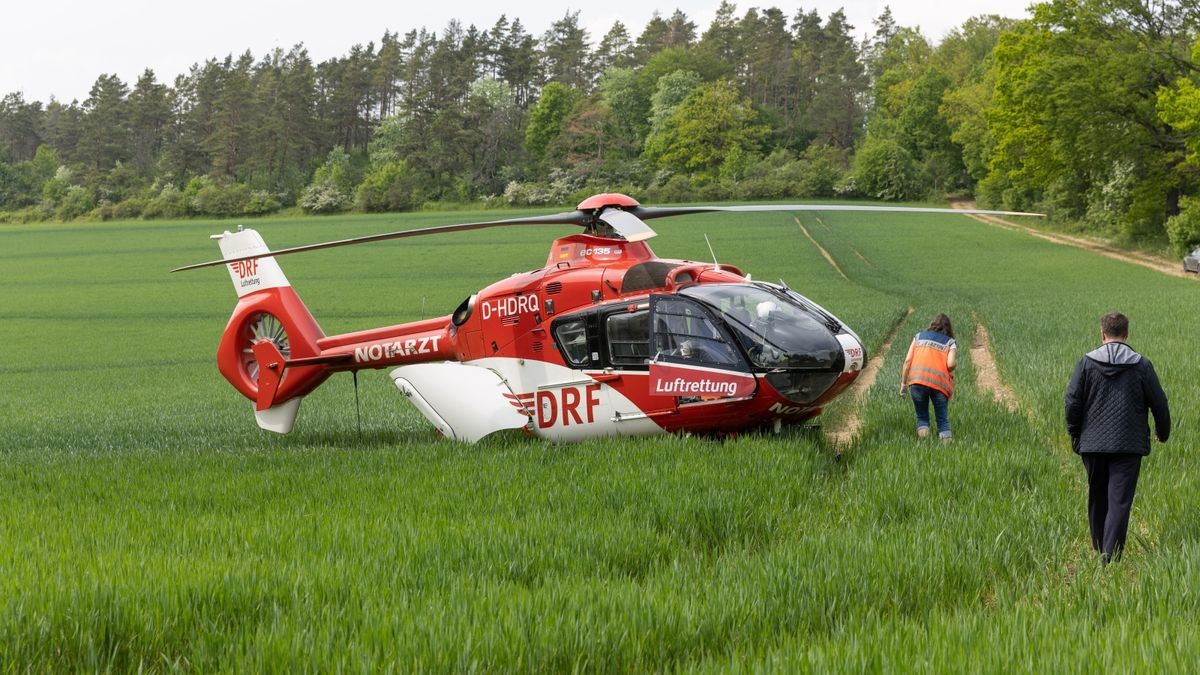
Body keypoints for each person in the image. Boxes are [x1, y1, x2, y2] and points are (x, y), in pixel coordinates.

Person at [1065, 311, 1170, 563]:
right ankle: (1109, 558)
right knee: (1119, 501)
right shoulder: (1142, 365)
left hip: (1092, 444)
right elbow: (1160, 403)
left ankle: (1101, 548)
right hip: (1129, 445)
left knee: (1097, 496)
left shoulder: (1086, 364)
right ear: (1126, 334)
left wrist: (1075, 434)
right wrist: (1162, 433)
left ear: (1102, 334)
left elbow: (1072, 402)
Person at [899, 313, 957, 442]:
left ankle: (925, 446)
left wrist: (903, 385)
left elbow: (907, 361)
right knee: (942, 420)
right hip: (939, 384)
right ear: (949, 328)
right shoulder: (950, 343)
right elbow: (951, 364)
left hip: (917, 382)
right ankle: (946, 452)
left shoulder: (918, 337)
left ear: (932, 325)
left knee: (922, 418)